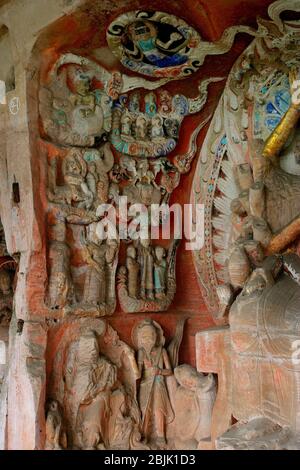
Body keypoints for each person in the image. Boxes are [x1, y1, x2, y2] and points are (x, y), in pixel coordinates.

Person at [133, 319, 174, 448]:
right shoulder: (141, 353)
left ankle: (161, 435)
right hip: (145, 385)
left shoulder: (162, 351)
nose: (148, 339)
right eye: (144, 336)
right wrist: (132, 360)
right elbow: (138, 374)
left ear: (156, 336)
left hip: (159, 383)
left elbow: (170, 371)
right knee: (145, 410)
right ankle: (145, 435)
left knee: (158, 408)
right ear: (140, 338)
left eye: (151, 335)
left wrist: (160, 371)